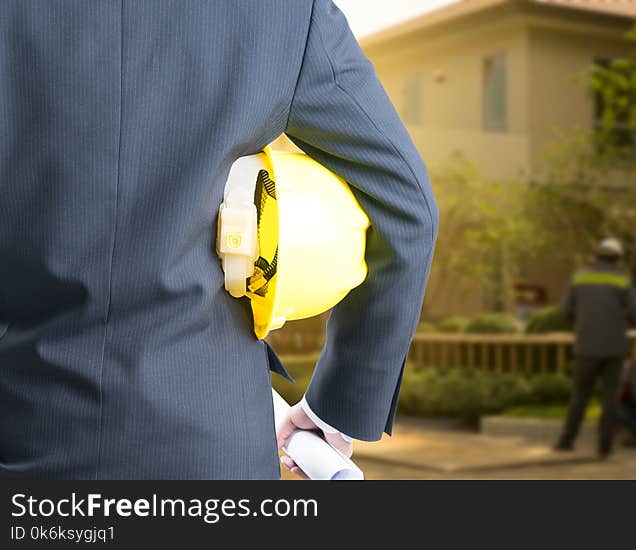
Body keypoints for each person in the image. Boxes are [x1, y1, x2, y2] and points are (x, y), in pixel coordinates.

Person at [0, 1, 438, 479]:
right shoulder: (285, 13)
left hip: (25, 434)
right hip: (216, 453)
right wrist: (339, 403)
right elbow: (407, 206)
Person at [554, 238, 636, 457]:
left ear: (596, 256)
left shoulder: (579, 277)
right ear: (618, 260)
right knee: (609, 398)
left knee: (579, 395)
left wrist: (583, 321)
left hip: (586, 346)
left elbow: (565, 312)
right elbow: (634, 314)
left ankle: (566, 441)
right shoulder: (623, 281)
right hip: (614, 347)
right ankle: (605, 446)